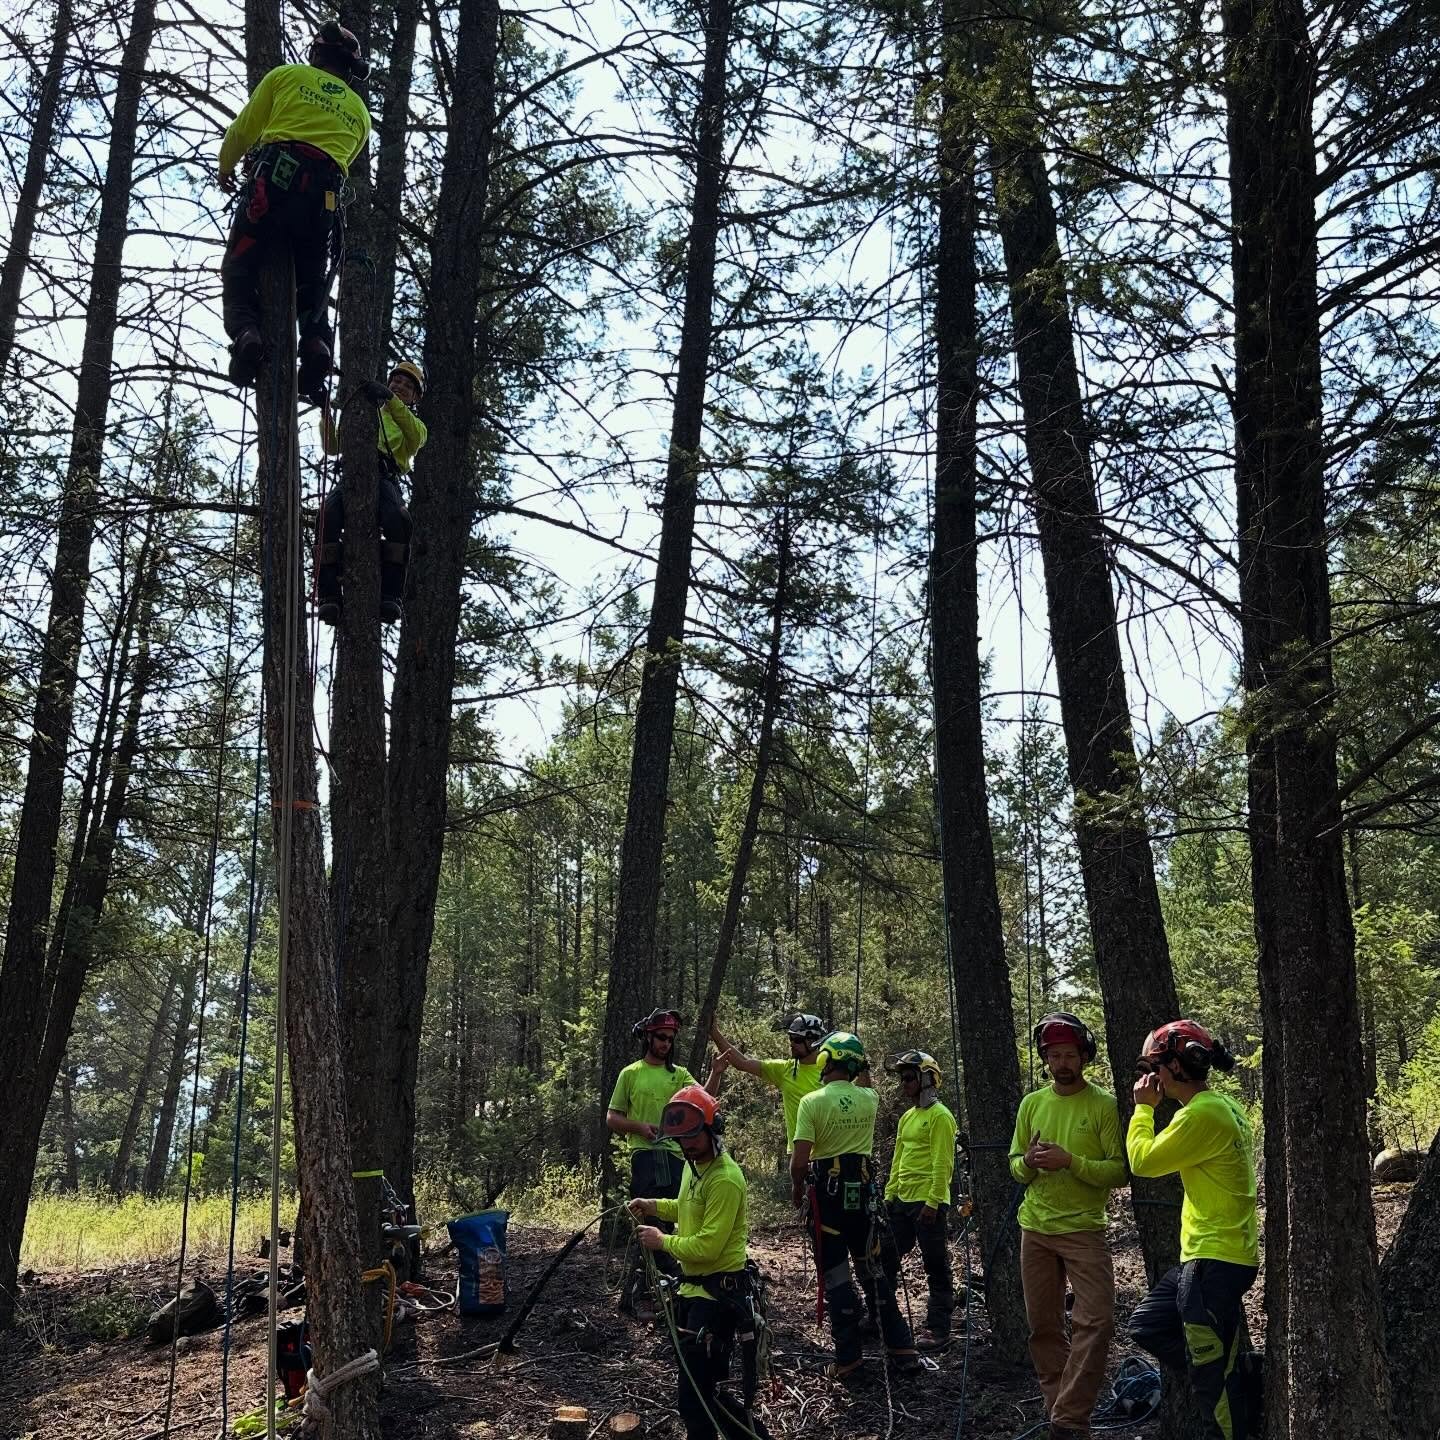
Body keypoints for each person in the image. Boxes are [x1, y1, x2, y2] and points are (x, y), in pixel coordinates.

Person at [218, 22, 372, 400]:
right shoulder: (360, 113)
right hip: (322, 201)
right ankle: (316, 344)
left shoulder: (286, 76)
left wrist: (226, 164)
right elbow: (344, 160)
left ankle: (245, 333)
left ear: (316, 54)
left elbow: (244, 129)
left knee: (240, 262)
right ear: (349, 70)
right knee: (312, 280)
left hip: (273, 181)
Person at [1126, 1020, 1260, 1440]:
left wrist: (1143, 1107)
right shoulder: (1223, 1108)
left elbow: (1142, 1162)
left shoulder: (1202, 1115)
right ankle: (1228, 1368)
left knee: (1211, 1386)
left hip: (1213, 1260)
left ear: (1173, 1068)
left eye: (1155, 1065)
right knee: (1147, 1325)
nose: (1152, 1075)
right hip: (1210, 1258)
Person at [1009, 1012, 1127, 1440]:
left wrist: (1070, 1162)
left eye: (1069, 1054)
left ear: (1083, 1057)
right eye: (1054, 1054)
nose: (1061, 1062)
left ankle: (1070, 1415)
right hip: (1034, 1229)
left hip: (1084, 1229)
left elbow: (1119, 1171)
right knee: (1043, 1325)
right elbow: (1015, 1168)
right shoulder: (1032, 1104)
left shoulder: (1104, 1105)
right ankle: (1062, 1417)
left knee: (1095, 1321)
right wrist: (1028, 1162)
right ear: (1045, 1059)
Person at [630, 1087, 770, 1440]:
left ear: (713, 1129)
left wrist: (662, 1241)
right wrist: (653, 1205)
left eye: (693, 1136)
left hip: (716, 1297)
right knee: (706, 1394)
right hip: (696, 1292)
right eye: (680, 1139)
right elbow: (686, 1208)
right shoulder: (696, 1167)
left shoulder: (725, 1178)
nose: (686, 1145)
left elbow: (708, 1247)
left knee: (697, 1400)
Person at [791, 1031, 920, 1381]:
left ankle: (849, 1359)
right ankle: (903, 1348)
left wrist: (796, 1188)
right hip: (862, 1195)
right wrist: (859, 1062)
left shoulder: (812, 1101)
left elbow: (800, 1161)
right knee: (873, 1271)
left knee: (836, 1277)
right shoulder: (869, 1098)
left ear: (826, 1061)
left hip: (828, 1198)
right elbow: (865, 1081)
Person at [314, 361, 427, 624]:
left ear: (415, 397)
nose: (400, 387)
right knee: (326, 518)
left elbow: (415, 436)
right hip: (351, 475)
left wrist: (389, 400)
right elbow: (333, 447)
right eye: (396, 381)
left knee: (398, 521)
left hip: (384, 477)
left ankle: (390, 594)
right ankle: (329, 595)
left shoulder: (415, 425)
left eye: (408, 386)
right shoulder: (364, 413)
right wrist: (325, 412)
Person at [606, 1008, 699, 1315]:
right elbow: (612, 1117)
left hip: (675, 1157)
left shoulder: (680, 1074)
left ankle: (666, 1288)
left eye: (671, 1039)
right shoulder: (630, 1073)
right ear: (648, 1037)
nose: (666, 1044)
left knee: (674, 1221)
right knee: (648, 1219)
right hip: (645, 1156)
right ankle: (643, 1291)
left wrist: (717, 1072)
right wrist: (640, 1127)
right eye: (661, 1037)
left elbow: (702, 1101)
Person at [880, 1049, 957, 1351]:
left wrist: (934, 1201)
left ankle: (938, 1329)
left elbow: (943, 1163)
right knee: (885, 1256)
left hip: (928, 1203)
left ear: (927, 1079)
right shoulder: (907, 1118)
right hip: (901, 1202)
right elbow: (898, 1160)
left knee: (935, 1265)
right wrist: (889, 1195)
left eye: (910, 1077)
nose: (905, 1083)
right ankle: (885, 1319)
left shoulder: (941, 1117)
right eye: (902, 1078)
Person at [708, 1012, 827, 1150]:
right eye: (790, 1038)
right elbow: (742, 1063)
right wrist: (714, 1033)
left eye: (797, 1039)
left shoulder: (830, 1070)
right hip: (797, 1154)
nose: (792, 1043)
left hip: (828, 1152)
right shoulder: (784, 1070)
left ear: (814, 1041)